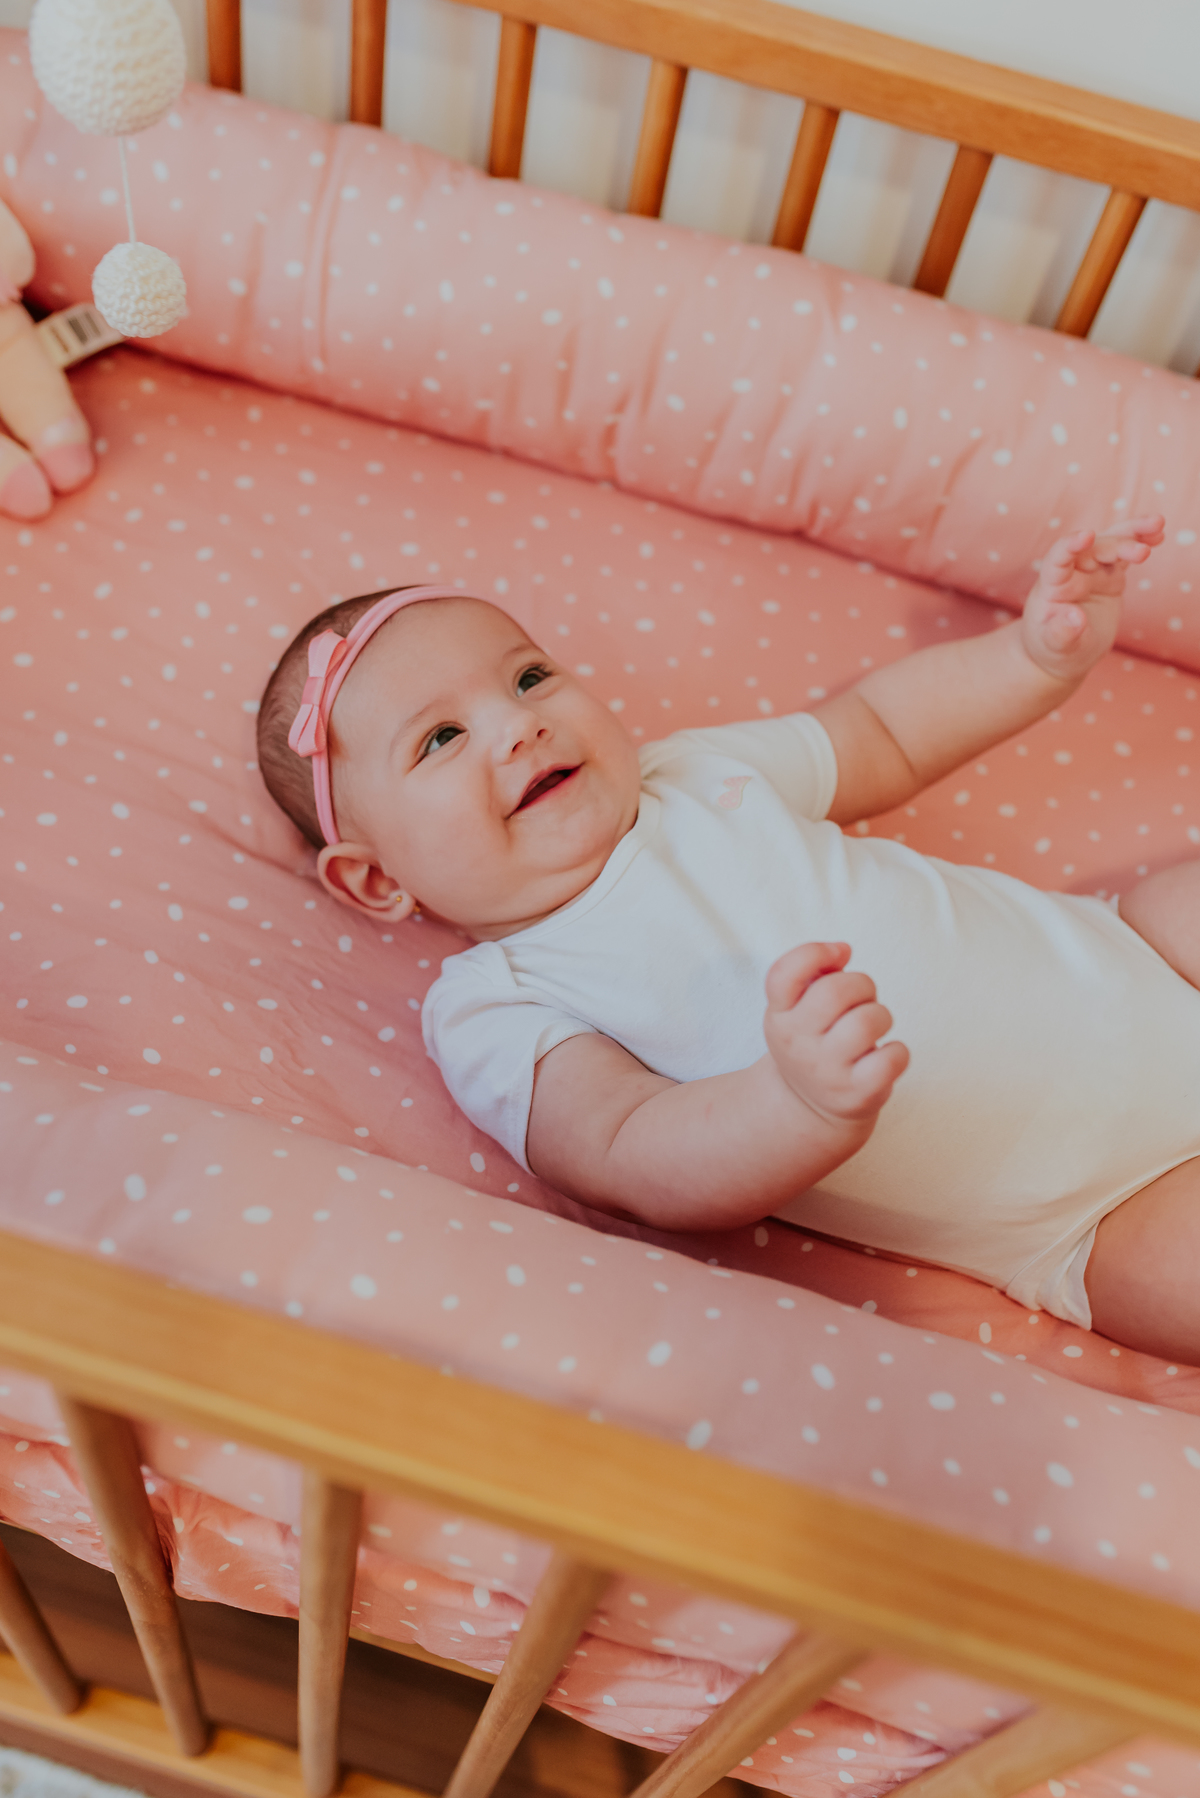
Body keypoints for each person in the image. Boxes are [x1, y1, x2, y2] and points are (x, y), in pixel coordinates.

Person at [257, 514, 1200, 1363]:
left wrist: (1035, 660)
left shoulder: (696, 774)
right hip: (1097, 1211)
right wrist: (791, 1104)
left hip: (1146, 956)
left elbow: (880, 733)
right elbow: (628, 1150)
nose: (520, 725)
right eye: (442, 738)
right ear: (376, 879)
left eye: (530, 676)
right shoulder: (498, 997)